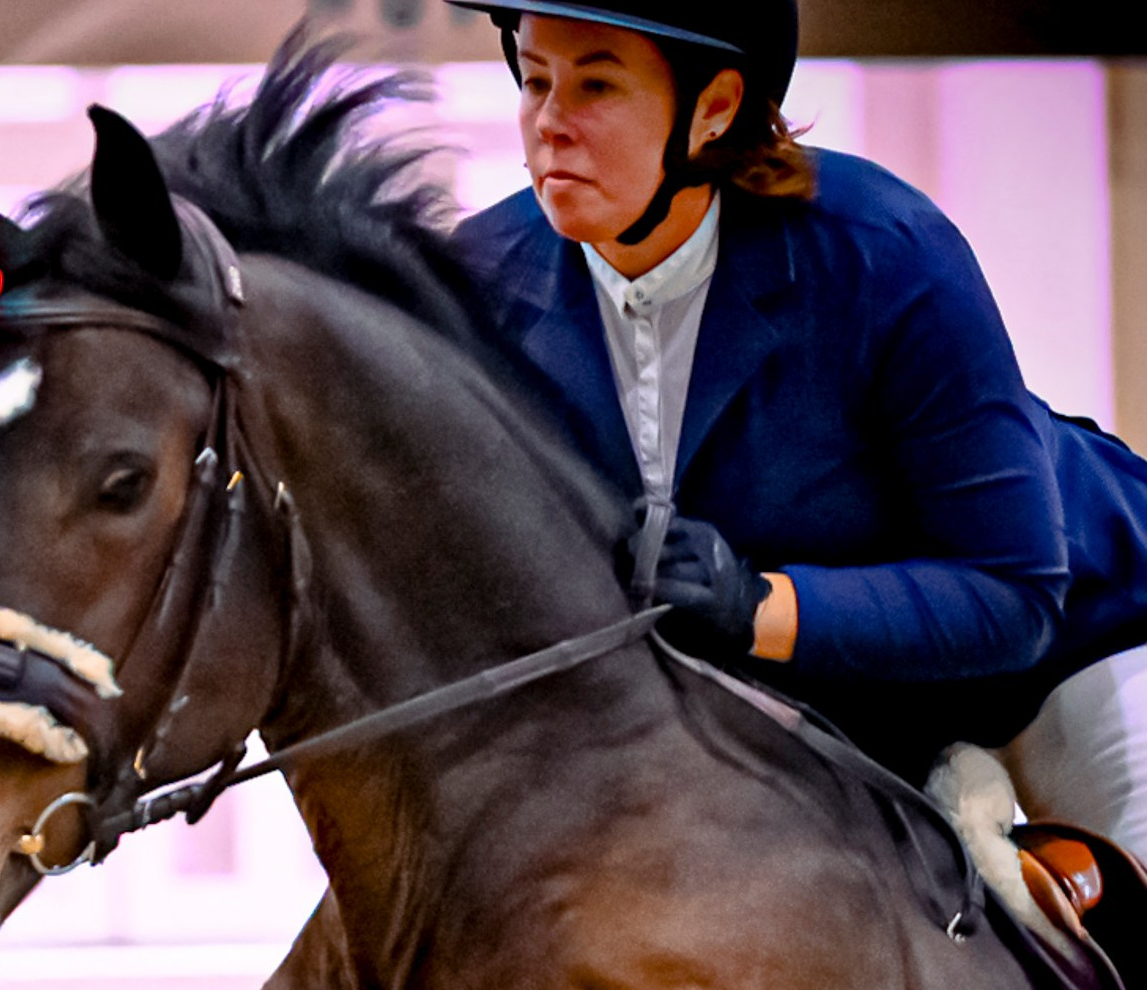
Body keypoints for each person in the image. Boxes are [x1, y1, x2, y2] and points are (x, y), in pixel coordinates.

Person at [448, 0, 1147, 842]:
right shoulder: (474, 286)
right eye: (534, 80)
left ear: (712, 108)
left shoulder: (883, 248)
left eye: (594, 84)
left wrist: (755, 607)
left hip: (1060, 656)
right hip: (826, 711)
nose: (548, 125)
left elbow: (1014, 594)